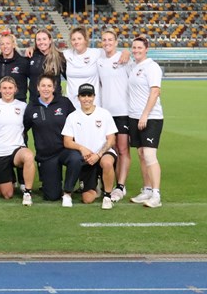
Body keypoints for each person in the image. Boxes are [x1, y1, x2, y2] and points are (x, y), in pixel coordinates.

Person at [23, 75, 83, 203]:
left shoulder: (64, 103)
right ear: (38, 87)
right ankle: (54, 186)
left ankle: (67, 192)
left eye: (49, 86)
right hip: (46, 156)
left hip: (64, 150)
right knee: (51, 196)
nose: (46, 89)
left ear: (54, 88)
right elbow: (22, 130)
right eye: (43, 86)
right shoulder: (31, 107)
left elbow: (76, 123)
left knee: (76, 158)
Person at [61, 83, 118, 209]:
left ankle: (107, 196)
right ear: (78, 97)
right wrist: (82, 148)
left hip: (102, 154)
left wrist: (98, 155)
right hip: (86, 158)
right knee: (87, 199)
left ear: (94, 96)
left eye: (89, 95)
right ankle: (96, 184)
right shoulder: (73, 117)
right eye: (83, 95)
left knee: (107, 162)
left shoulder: (104, 114)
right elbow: (67, 141)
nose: (86, 98)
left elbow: (111, 140)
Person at [126, 36, 164, 208]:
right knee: (141, 154)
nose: (136, 50)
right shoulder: (134, 66)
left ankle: (156, 195)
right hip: (134, 116)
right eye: (133, 47)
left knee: (149, 155)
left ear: (146, 48)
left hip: (151, 117)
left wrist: (145, 115)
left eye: (139, 47)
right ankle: (147, 189)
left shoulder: (152, 67)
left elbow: (155, 92)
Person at [0, 77, 36, 205]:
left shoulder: (23, 106)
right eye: (4, 88)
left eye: (10, 88)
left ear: (15, 89)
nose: (7, 91)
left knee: (29, 156)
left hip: (17, 148)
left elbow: (28, 124)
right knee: (6, 194)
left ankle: (27, 192)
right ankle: (6, 179)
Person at [97, 30, 131, 202]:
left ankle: (120, 186)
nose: (107, 42)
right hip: (106, 113)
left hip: (123, 112)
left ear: (116, 42)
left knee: (123, 149)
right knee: (111, 148)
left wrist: (127, 51)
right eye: (104, 40)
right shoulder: (100, 60)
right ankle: (106, 181)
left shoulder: (124, 59)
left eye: (110, 40)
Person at [63, 26, 129, 110]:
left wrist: (126, 52)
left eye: (79, 38)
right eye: (73, 39)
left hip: (93, 105)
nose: (76, 41)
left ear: (85, 40)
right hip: (71, 105)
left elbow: (112, 51)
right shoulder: (65, 54)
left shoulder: (96, 53)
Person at [28, 29, 65, 105]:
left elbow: (70, 76)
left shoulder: (59, 57)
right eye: (38, 39)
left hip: (55, 103)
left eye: (44, 39)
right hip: (35, 102)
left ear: (50, 40)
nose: (41, 42)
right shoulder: (31, 56)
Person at [0, 32, 30, 102]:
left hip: (19, 104)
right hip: (0, 104)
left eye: (8, 43)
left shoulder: (23, 62)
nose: (5, 46)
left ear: (13, 45)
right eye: (2, 44)